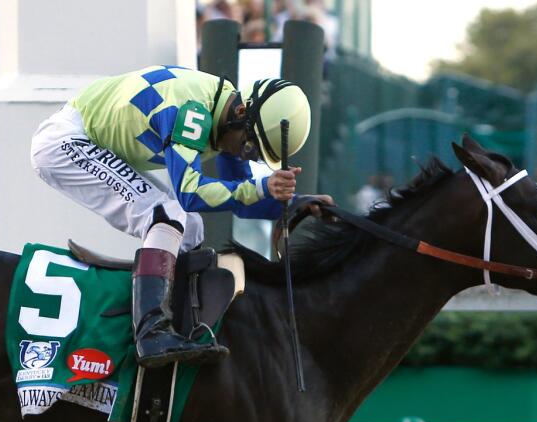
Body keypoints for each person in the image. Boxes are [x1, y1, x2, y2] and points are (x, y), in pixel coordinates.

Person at [31, 64, 329, 367]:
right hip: (64, 142)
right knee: (167, 214)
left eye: (254, 156)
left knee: (189, 227)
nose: (245, 156)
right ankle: (151, 332)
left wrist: (291, 204)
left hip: (92, 140)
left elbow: (240, 197)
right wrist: (261, 186)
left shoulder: (226, 112)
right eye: (249, 147)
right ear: (241, 113)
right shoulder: (193, 112)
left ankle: (178, 321)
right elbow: (191, 193)